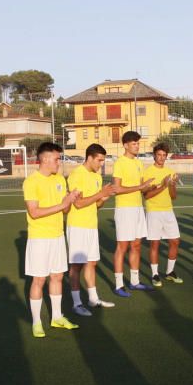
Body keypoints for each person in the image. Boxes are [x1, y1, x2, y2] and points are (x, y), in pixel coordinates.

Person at [22, 141, 81, 336]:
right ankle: (37, 322)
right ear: (45, 159)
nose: (59, 162)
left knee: (57, 276)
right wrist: (63, 203)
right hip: (39, 238)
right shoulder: (31, 182)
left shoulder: (59, 180)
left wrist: (70, 200)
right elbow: (34, 212)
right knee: (39, 279)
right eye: (57, 158)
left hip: (58, 236)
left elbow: (65, 209)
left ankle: (57, 317)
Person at [66, 143, 117, 315]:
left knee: (92, 263)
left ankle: (93, 299)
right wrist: (100, 194)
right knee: (76, 266)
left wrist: (105, 197)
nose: (101, 164)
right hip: (77, 226)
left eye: (103, 160)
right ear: (89, 157)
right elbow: (79, 203)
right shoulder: (76, 175)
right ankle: (77, 303)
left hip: (91, 226)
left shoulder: (97, 177)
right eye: (99, 160)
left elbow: (96, 205)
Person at [112, 130, 155, 295]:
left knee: (136, 245)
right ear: (125, 145)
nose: (137, 146)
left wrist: (153, 186)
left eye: (138, 143)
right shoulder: (119, 163)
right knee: (122, 246)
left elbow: (142, 186)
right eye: (134, 144)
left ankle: (135, 282)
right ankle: (118, 285)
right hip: (124, 210)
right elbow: (117, 188)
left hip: (138, 209)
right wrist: (139, 187)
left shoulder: (138, 163)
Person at [141, 142, 184, 285]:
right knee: (155, 244)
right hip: (153, 212)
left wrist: (171, 185)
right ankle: (154, 275)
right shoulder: (147, 172)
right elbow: (146, 195)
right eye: (159, 155)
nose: (161, 158)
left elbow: (173, 196)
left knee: (175, 241)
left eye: (164, 155)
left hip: (168, 211)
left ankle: (170, 272)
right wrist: (163, 185)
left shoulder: (170, 171)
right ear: (154, 155)